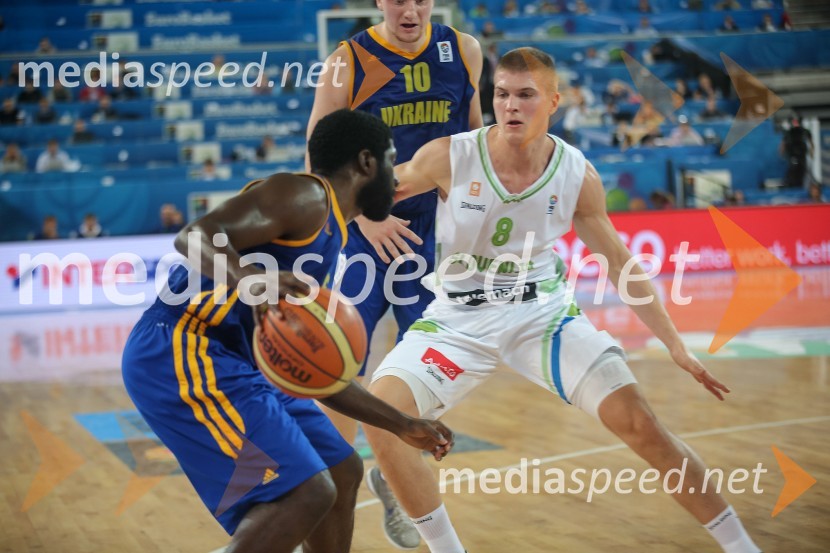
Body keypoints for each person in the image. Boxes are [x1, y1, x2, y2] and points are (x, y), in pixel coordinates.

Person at [363, 47, 762, 553]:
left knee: (642, 424)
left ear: (554, 102)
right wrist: (368, 218)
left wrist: (676, 345)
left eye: (525, 95)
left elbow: (618, 261)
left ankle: (742, 546)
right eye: (501, 94)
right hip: (458, 319)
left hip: (542, 316)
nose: (510, 105)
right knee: (382, 416)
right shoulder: (450, 156)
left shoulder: (576, 173)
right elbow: (362, 193)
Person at [121, 109, 454, 553]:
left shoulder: (333, 233)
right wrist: (249, 279)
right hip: (182, 348)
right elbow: (195, 235)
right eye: (392, 160)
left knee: (341, 471)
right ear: (366, 162)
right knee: (305, 492)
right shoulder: (303, 195)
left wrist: (402, 424)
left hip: (235, 361)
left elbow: (317, 372)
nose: (395, 178)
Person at [305, 0, 483, 547]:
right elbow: (317, 155)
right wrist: (368, 215)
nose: (411, 8)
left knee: (435, 371)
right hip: (362, 235)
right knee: (336, 366)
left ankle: (392, 470)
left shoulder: (464, 50)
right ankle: (326, 499)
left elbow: (475, 143)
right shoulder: (347, 60)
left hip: (434, 240)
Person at [780, 117, 812, 188]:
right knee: (793, 171)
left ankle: (799, 184)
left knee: (801, 171)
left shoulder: (804, 131)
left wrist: (811, 151)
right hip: (793, 155)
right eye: (794, 122)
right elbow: (783, 144)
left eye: (796, 122)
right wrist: (781, 153)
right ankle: (792, 184)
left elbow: (811, 142)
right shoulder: (789, 132)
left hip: (801, 155)